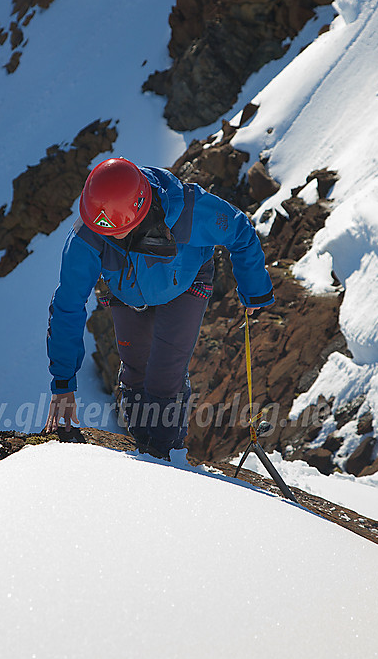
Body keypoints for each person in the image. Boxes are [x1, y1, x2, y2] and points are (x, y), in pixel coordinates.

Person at [44, 157, 274, 458]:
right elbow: (68, 306)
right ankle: (144, 449)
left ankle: (168, 455)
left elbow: (240, 231)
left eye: (117, 230)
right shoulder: (88, 236)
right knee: (135, 374)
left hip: (186, 284)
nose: (107, 236)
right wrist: (63, 382)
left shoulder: (188, 209)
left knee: (164, 377)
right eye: (103, 229)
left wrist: (255, 290)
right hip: (127, 291)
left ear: (138, 212)